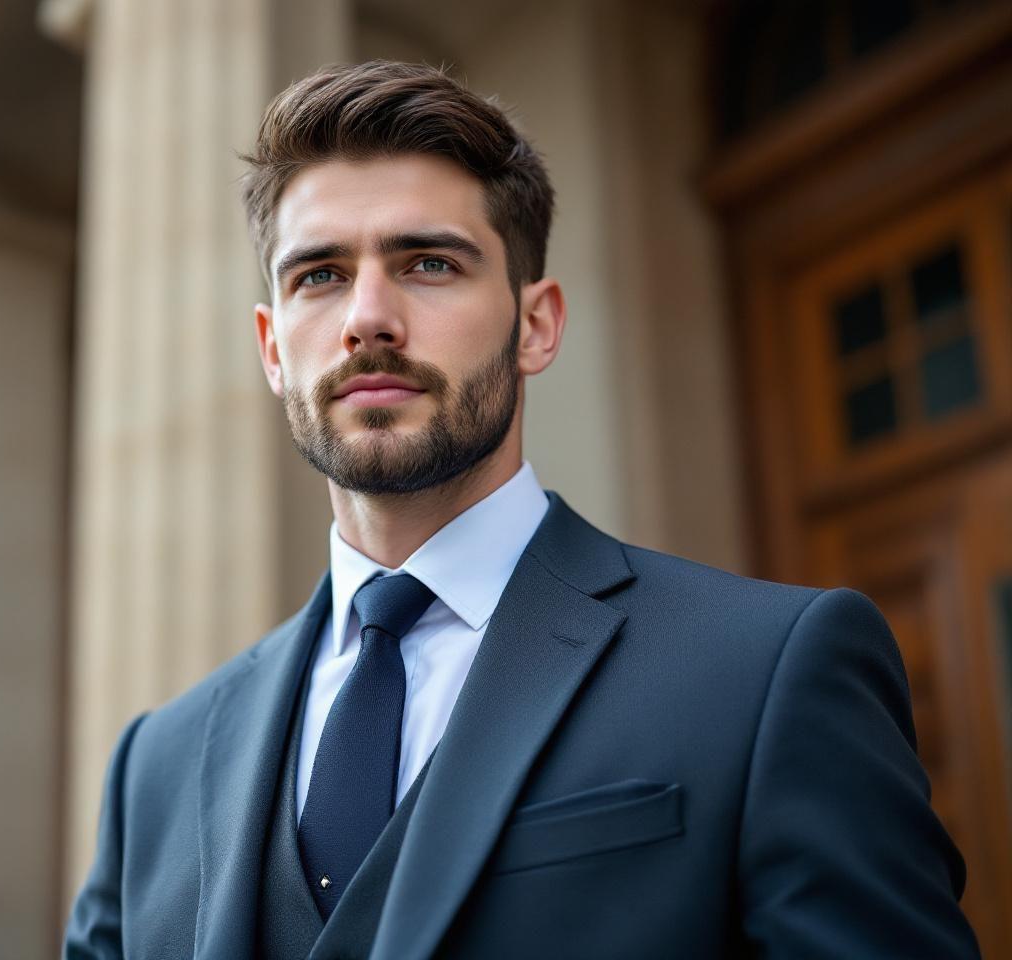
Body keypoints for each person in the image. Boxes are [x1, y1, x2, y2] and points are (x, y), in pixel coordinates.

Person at [63, 60, 978, 959]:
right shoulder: (156, 767)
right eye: (319, 276)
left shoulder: (768, 669)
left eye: (428, 263)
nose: (367, 317)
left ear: (534, 325)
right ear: (272, 349)